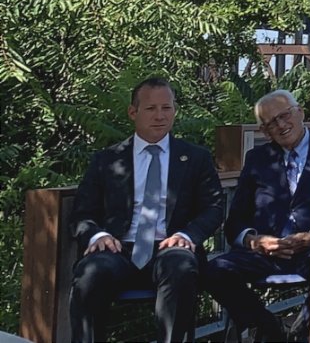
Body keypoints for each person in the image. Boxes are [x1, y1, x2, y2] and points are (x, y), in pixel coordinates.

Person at [68, 77, 225, 343]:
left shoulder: (195, 157)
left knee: (182, 268)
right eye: (151, 109)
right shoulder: (107, 160)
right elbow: (82, 212)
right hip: (118, 248)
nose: (160, 116)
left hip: (170, 247)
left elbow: (214, 207)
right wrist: (97, 236)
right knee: (88, 275)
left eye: (167, 108)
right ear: (133, 112)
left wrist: (187, 235)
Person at [203, 90, 310, 342]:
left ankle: (303, 333)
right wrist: (256, 241)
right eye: (271, 123)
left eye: (285, 116)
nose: (281, 125)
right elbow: (235, 223)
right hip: (267, 252)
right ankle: (268, 327)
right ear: (264, 132)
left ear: (300, 113)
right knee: (215, 270)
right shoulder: (257, 159)